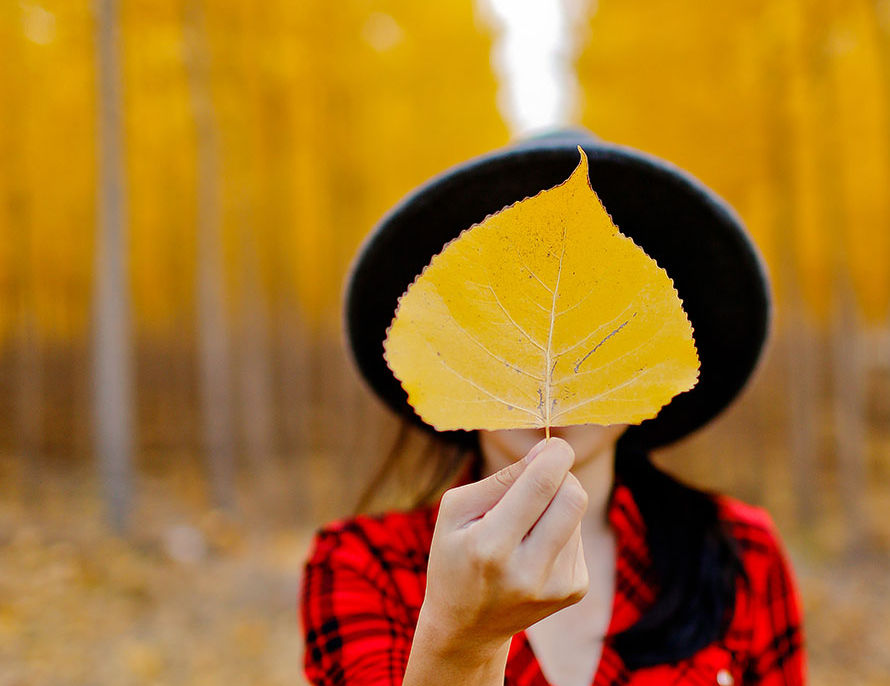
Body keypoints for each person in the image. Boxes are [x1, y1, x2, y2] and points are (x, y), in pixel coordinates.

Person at [300, 130, 806, 686]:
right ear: (454, 346)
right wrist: (462, 644)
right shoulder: (365, 566)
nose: (554, 372)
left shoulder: (740, 554)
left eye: (601, 338)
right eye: (503, 332)